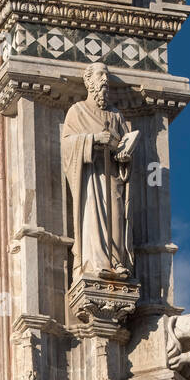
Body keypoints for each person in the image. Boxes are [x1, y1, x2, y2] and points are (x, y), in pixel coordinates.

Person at [62, 64, 136, 279]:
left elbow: (125, 143)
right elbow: (67, 145)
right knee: (93, 218)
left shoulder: (116, 115)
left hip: (113, 176)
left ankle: (116, 261)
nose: (105, 79)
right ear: (89, 81)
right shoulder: (77, 111)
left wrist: (124, 156)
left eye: (106, 74)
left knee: (116, 216)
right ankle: (96, 263)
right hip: (91, 177)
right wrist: (93, 139)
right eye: (100, 74)